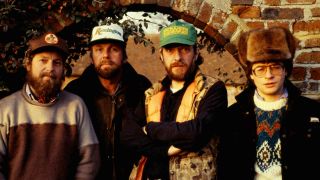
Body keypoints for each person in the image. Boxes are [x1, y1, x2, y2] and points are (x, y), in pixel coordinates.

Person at [121, 20, 228, 179]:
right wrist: (164, 150)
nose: (177, 57)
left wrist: (151, 130)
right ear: (161, 55)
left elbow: (198, 131)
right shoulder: (151, 94)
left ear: (196, 53)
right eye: (170, 50)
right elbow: (128, 135)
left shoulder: (212, 89)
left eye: (184, 49)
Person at [217, 27, 320, 180]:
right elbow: (226, 170)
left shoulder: (311, 112)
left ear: (286, 70)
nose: (268, 75)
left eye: (276, 68)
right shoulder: (233, 116)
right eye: (260, 69)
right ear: (251, 75)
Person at [0, 32, 100, 179]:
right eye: (43, 61)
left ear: (63, 69)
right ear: (28, 65)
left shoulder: (75, 106)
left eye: (57, 63)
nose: (50, 68)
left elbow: (89, 161)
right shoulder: (6, 108)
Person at [64, 23, 152, 180]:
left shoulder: (142, 88)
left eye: (114, 49)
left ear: (124, 55)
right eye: (99, 49)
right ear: (91, 56)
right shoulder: (75, 92)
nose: (106, 55)